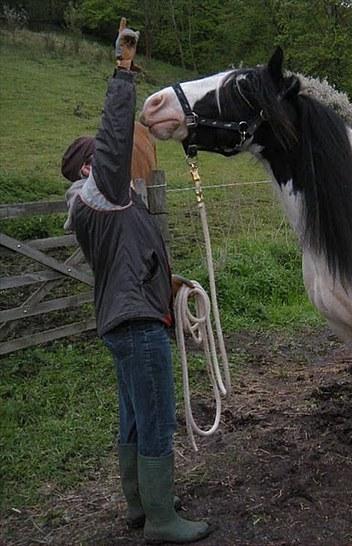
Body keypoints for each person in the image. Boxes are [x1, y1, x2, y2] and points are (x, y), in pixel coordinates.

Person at [61, 18, 211, 544]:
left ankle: (138, 507)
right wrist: (123, 74)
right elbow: (112, 141)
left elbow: (138, 258)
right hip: (138, 325)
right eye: (106, 160)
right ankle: (163, 520)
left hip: (123, 319)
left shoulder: (105, 207)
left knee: (132, 415)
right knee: (155, 418)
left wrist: (169, 283)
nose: (121, 162)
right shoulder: (102, 193)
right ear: (89, 171)